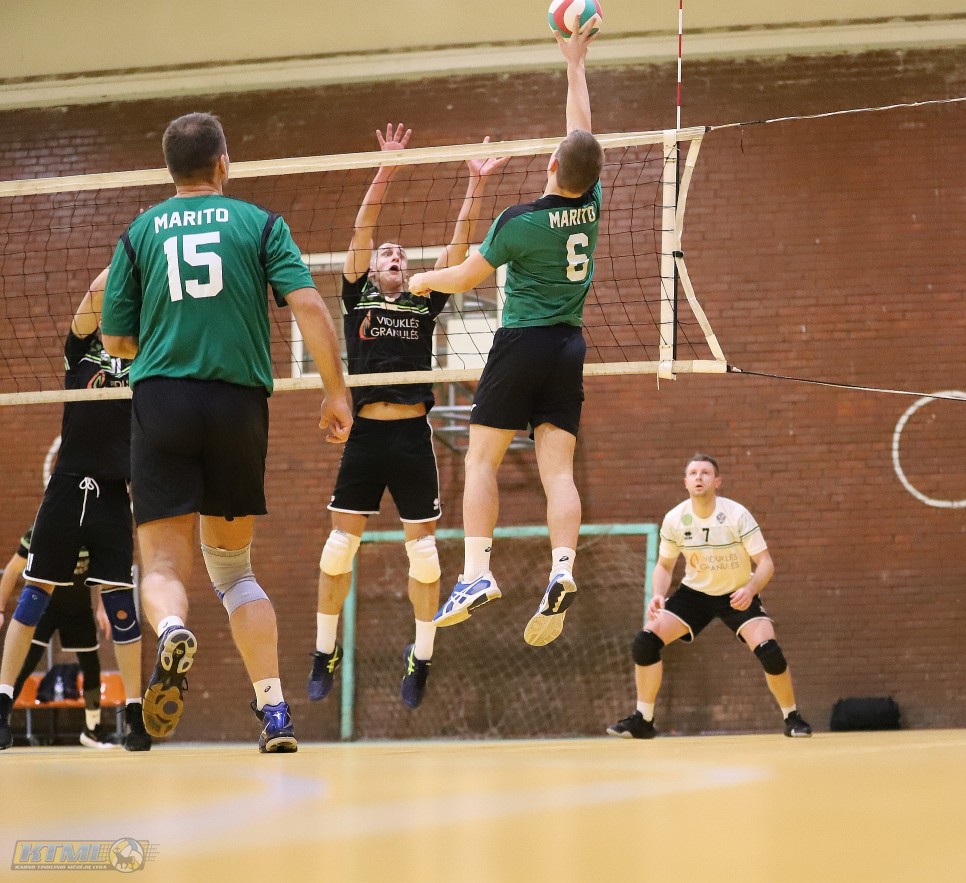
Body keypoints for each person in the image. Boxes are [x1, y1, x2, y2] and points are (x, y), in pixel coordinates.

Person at [101, 112, 352, 753]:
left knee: (162, 564)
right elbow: (309, 305)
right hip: (238, 405)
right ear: (222, 163)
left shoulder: (139, 233)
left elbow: (115, 340)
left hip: (162, 399)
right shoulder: (260, 224)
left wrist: (166, 339)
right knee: (235, 571)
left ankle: (173, 629)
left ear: (169, 170)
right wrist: (335, 391)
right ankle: (275, 712)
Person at [407, 16, 603, 647]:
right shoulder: (591, 205)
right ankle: (563, 568)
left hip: (521, 343)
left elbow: (466, 277)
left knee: (481, 460)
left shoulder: (519, 222)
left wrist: (421, 281)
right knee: (559, 473)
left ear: (551, 163)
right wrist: (575, 63)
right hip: (568, 346)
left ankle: (476, 573)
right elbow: (581, 133)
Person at [308, 124, 507, 709]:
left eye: (400, 253)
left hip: (413, 437)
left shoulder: (424, 295)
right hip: (367, 435)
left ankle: (421, 657)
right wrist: (386, 170)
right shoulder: (357, 296)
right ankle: (324, 651)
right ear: (372, 270)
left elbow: (461, 245)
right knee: (337, 550)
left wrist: (475, 184)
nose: (394, 255)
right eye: (385, 255)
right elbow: (362, 228)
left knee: (423, 555)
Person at [0, 270, 150, 752]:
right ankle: (1, 705)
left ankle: (134, 715)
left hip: (114, 491)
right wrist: (129, 259)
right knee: (33, 595)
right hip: (66, 486)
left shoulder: (147, 356)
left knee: (121, 603)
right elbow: (91, 295)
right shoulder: (81, 350)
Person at [607, 454, 812, 739]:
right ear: (685, 482)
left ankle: (793, 717)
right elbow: (664, 566)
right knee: (645, 642)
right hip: (695, 595)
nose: (699, 477)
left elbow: (766, 563)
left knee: (770, 652)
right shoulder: (675, 519)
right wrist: (658, 594)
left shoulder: (736, 514)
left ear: (717, 481)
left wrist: (751, 589)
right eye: (693, 473)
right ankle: (643, 719)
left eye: (705, 473)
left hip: (737, 592)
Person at [0, 531, 116, 748]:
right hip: (46, 607)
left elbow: (101, 573)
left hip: (79, 610)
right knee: (24, 664)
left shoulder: (91, 530)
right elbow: (13, 568)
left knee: (92, 667)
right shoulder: (42, 529)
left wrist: (102, 607)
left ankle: (92, 729)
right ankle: (2, 719)